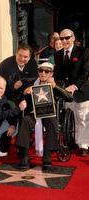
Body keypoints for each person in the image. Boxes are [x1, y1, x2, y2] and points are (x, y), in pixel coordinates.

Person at [15, 61, 73, 170]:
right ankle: (24, 156)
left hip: (49, 113)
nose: (43, 73)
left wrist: (55, 87)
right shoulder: (32, 83)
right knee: (25, 120)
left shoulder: (58, 83)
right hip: (34, 113)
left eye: (47, 71)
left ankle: (47, 155)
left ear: (51, 73)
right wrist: (24, 92)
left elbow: (69, 98)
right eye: (41, 70)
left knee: (51, 121)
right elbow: (18, 98)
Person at [54, 28, 89, 156]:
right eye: (61, 38)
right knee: (71, 117)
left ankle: (84, 145)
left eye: (67, 38)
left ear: (73, 38)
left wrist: (75, 86)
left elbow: (86, 73)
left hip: (81, 91)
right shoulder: (57, 55)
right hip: (66, 93)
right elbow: (58, 74)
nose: (64, 41)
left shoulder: (83, 52)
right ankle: (74, 141)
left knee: (82, 119)